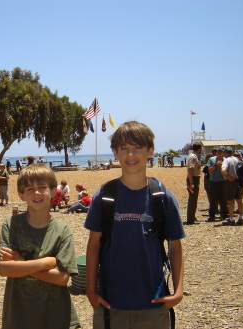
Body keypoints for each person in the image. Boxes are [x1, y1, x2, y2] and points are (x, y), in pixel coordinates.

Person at [85, 121, 185, 329]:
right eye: (124, 149)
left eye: (138, 147)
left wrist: (178, 292)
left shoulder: (162, 196)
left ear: (150, 151)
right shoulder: (104, 196)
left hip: (154, 304)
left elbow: (175, 246)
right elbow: (93, 245)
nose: (131, 155)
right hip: (111, 304)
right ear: (115, 153)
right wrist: (91, 292)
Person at [0, 163, 81, 329]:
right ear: (21, 195)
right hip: (19, 315)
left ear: (52, 191)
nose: (36, 193)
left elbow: (62, 278)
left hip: (56, 317)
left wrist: (20, 263)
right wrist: (44, 263)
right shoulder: (11, 224)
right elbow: (4, 269)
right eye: (29, 189)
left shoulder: (62, 231)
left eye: (42, 187)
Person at [221, 147, 243, 225]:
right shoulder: (237, 159)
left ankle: (231, 219)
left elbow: (223, 170)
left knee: (230, 201)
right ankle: (241, 217)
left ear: (226, 153)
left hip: (230, 182)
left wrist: (228, 177)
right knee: (239, 200)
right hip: (238, 181)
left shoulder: (226, 160)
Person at [206, 146, 228, 221]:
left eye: (221, 151)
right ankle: (212, 215)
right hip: (213, 182)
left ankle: (224, 214)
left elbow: (227, 171)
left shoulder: (226, 160)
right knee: (213, 199)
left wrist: (222, 166)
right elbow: (209, 171)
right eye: (218, 151)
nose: (219, 152)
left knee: (223, 199)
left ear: (223, 152)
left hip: (223, 181)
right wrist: (215, 165)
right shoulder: (211, 159)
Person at [186, 142, 202, 224]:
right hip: (193, 179)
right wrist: (191, 183)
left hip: (194, 179)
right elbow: (190, 170)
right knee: (192, 199)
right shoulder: (193, 157)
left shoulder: (195, 156)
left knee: (194, 199)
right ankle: (190, 219)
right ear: (199, 149)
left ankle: (192, 216)